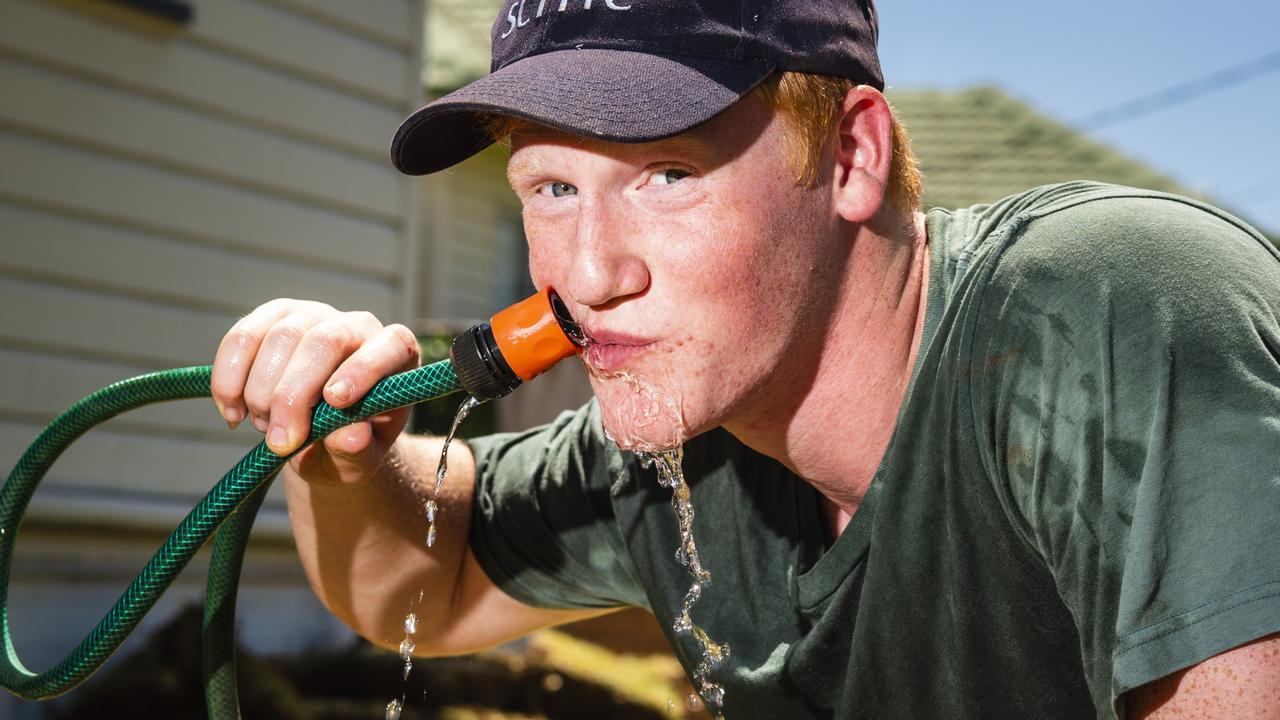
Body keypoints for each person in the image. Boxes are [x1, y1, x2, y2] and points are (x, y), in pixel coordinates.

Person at [210, 1, 1280, 717]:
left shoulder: (1107, 305)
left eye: (666, 175)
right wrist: (344, 457)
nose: (586, 276)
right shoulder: (681, 436)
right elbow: (422, 593)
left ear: (852, 155)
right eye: (549, 189)